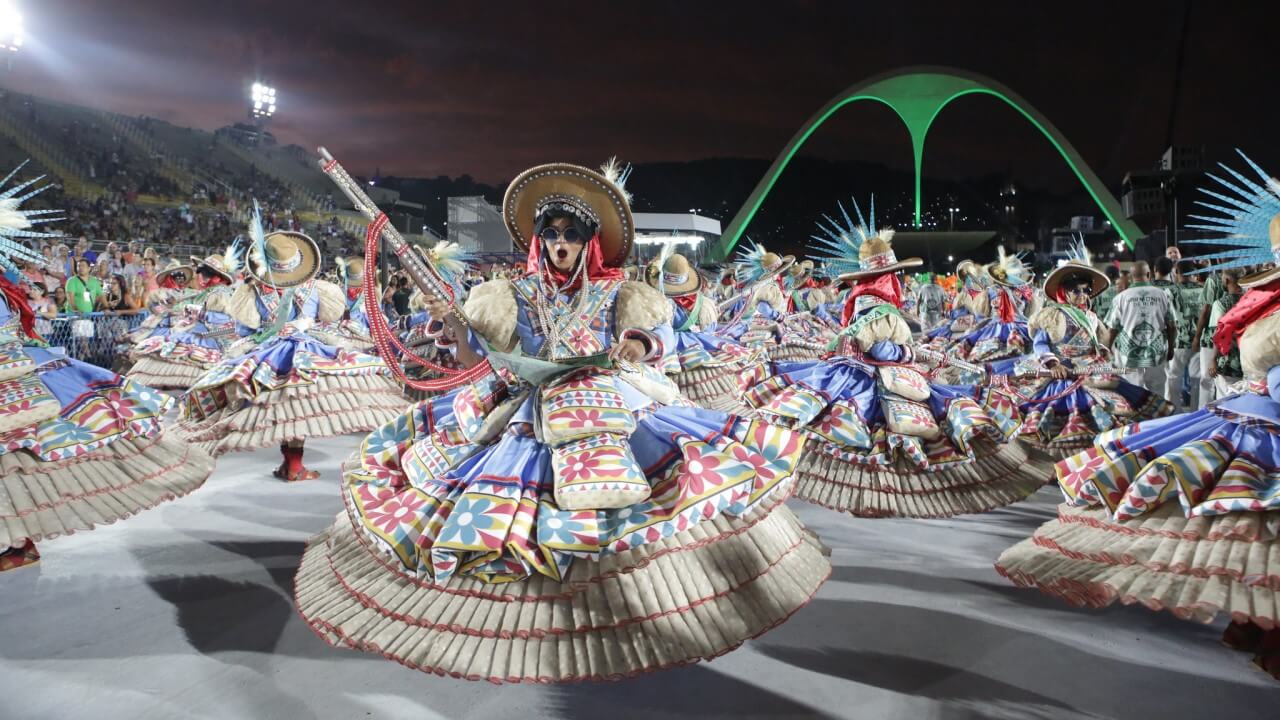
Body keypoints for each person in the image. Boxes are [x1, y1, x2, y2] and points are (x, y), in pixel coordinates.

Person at [294, 161, 829, 682]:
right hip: (531, 405)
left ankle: (629, 618)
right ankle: (556, 630)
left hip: (610, 401)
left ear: (589, 241)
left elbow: (668, 337)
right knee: (527, 516)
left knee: (634, 501)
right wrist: (454, 321)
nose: (559, 243)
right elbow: (472, 354)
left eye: (571, 233)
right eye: (550, 233)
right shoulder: (511, 295)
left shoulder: (623, 294)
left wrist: (640, 342)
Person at [996, 154, 1280, 679]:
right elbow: (1044, 345)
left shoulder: (1094, 308)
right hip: (1075, 379)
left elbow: (1108, 339)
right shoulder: (1056, 314)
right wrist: (1062, 361)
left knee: (1115, 422)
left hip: (1134, 379)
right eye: (1077, 286)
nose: (1082, 291)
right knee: (1069, 426)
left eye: (1085, 286)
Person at [744, 197, 1041, 518]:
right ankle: (879, 492)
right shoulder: (875, 303)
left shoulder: (863, 297)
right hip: (870, 373)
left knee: (878, 429)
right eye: (893, 274)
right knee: (879, 427)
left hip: (855, 368)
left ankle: (872, 494)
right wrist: (909, 352)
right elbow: (878, 348)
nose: (896, 280)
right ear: (886, 276)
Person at [0, 167, 213, 572]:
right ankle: (17, 543)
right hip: (22, 369)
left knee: (21, 459)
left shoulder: (5, 287)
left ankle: (17, 544)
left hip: (15, 374)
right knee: (19, 461)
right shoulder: (7, 285)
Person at [178, 210, 406, 481]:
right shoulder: (314, 288)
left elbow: (244, 329)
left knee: (282, 408)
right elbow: (319, 317)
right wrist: (303, 325)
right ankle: (294, 466)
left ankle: (292, 465)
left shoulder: (252, 291)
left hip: (268, 353)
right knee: (298, 408)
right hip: (308, 349)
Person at [987, 242, 1172, 460]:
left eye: (1086, 291)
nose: (1083, 295)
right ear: (1063, 292)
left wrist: (1101, 352)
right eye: (1077, 291)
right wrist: (1053, 364)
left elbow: (1096, 343)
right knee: (1062, 418)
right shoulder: (1053, 314)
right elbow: (1040, 343)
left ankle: (1091, 459)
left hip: (1090, 372)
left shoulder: (1091, 317)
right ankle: (1059, 460)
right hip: (1061, 373)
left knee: (1107, 413)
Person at [1104, 259, 1176, 399]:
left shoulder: (1120, 298)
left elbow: (1112, 329)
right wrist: (1171, 348)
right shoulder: (1162, 295)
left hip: (1128, 356)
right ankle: (1157, 420)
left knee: (1132, 395)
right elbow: (1172, 326)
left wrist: (1107, 350)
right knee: (1157, 394)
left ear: (1131, 277)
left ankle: (1135, 421)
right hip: (1156, 354)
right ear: (1149, 274)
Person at [1204, 268, 1245, 396]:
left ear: (1227, 280)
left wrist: (1213, 359)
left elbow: (1219, 333)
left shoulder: (1220, 304)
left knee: (1224, 400)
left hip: (1229, 363)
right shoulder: (1251, 300)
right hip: (1248, 361)